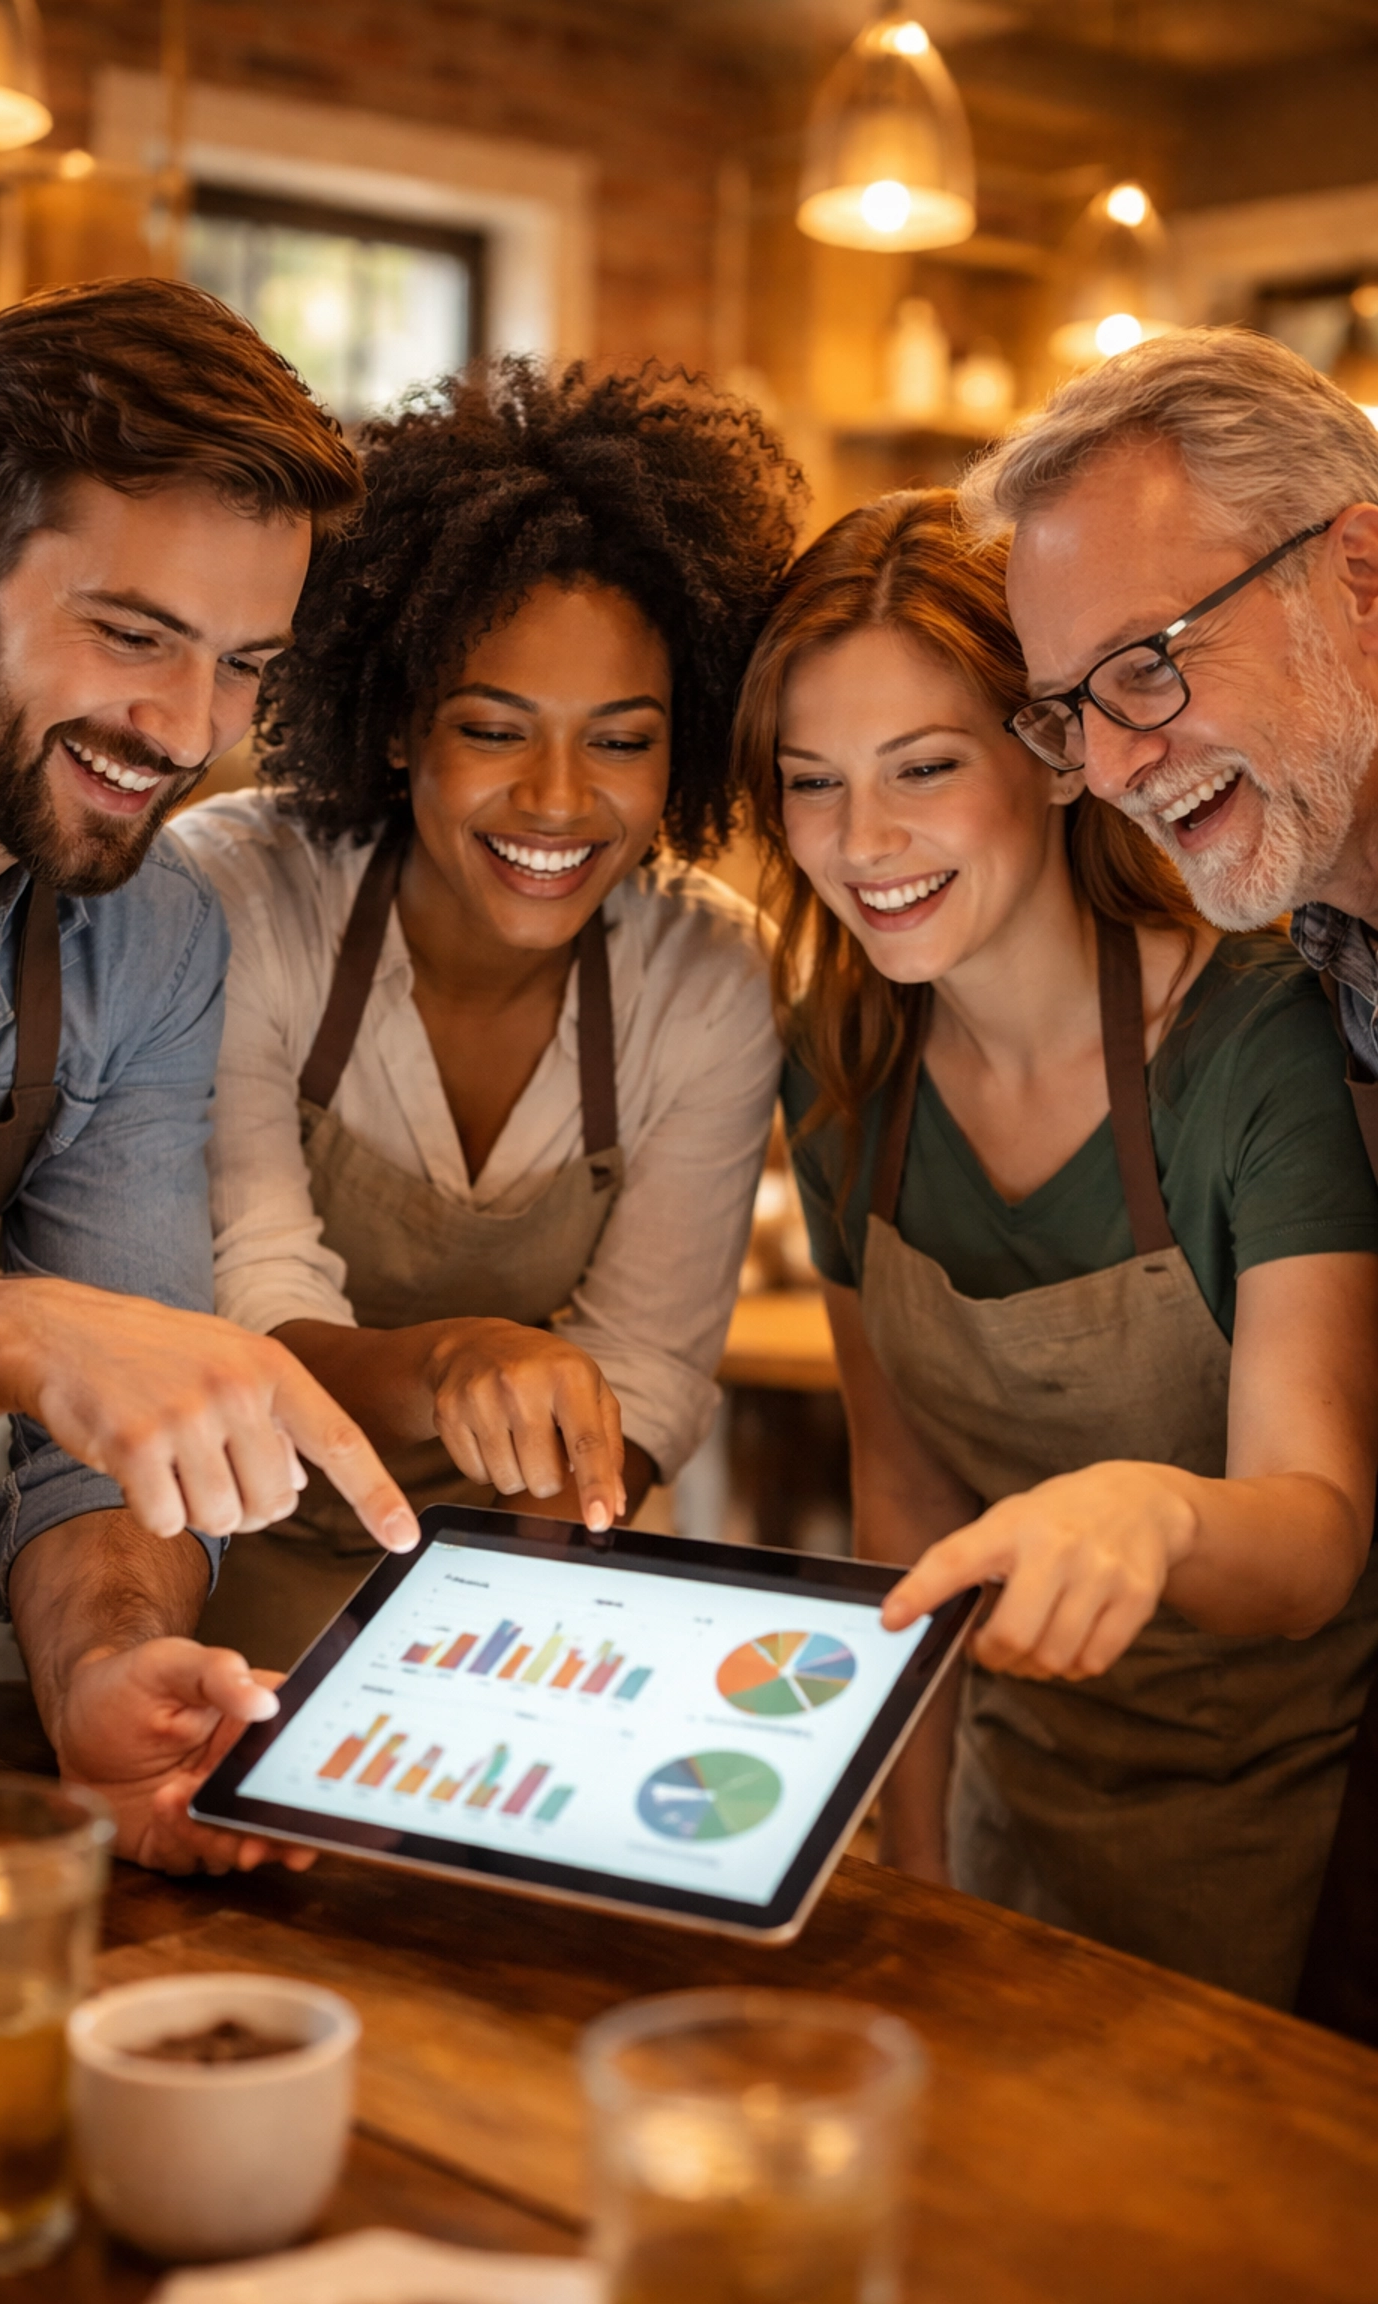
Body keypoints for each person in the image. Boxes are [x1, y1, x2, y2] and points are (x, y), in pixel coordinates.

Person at [737, 488, 1378, 2008]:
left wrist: (1153, 1511)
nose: (863, 842)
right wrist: (915, 1876)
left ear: (1052, 759)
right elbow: (906, 1502)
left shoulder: (1250, 1039)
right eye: (810, 784)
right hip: (998, 1801)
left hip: (1280, 1818)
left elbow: (1316, 1533)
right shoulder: (841, 1066)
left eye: (924, 769)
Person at [0, 278, 416, 1875]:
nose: (186, 730)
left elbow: (97, 1453)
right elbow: (56, 1348)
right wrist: (9, 1332)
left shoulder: (149, 940)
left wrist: (103, 1659)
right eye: (132, 634)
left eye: (245, 664)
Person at [171, 358, 801, 1665]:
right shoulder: (239, 896)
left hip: (515, 1558)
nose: (559, 801)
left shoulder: (711, 975)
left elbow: (649, 1374)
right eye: (496, 731)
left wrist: (516, 1640)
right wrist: (459, 1361)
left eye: (622, 740)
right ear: (402, 724)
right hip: (215, 1522)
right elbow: (253, 1305)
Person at [957, 328, 1378, 2036]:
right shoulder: (1321, 940)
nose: (1119, 766)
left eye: (1151, 665)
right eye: (1074, 712)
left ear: (1361, 568)